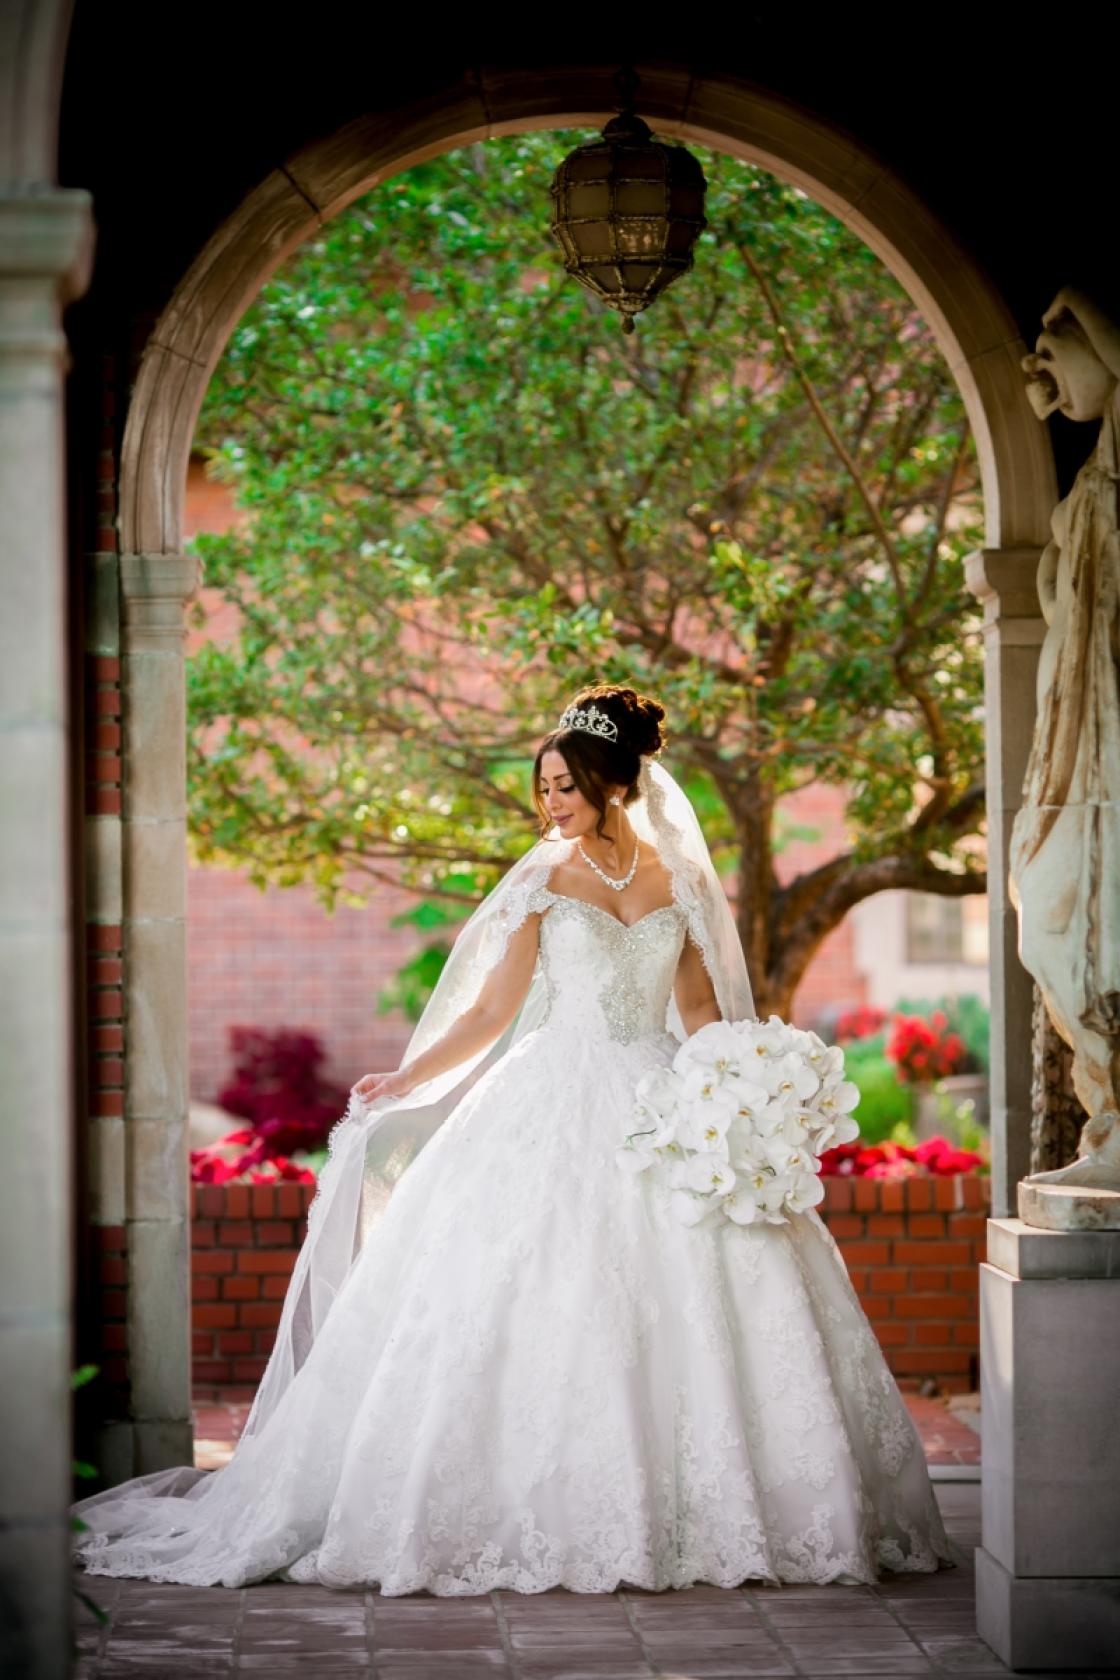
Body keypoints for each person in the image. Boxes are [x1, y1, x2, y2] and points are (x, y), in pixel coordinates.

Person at [73, 682, 953, 1594]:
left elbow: (699, 1011)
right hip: (551, 1091)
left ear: (611, 784)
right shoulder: (543, 877)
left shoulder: (680, 882)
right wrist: (409, 1078)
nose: (549, 803)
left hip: (660, 1101)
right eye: (543, 789)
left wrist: (743, 1087)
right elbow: (493, 1010)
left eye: (563, 786)